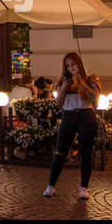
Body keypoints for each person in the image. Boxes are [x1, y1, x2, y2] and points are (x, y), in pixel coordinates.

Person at [43, 52, 101, 200]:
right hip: (68, 116)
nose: (71, 68)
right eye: (68, 66)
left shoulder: (91, 79)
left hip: (86, 115)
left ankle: (84, 188)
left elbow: (95, 99)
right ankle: (51, 186)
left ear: (79, 64)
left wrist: (81, 83)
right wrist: (63, 87)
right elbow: (59, 103)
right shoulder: (62, 81)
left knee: (86, 152)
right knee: (60, 152)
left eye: (73, 65)